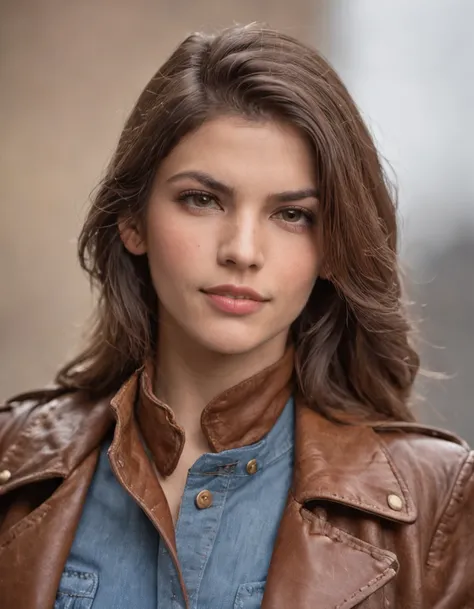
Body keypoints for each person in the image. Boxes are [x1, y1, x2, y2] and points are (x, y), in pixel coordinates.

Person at [0, 23, 472, 609]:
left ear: (333, 246)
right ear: (133, 221)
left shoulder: (439, 501)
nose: (243, 251)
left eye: (292, 214)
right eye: (202, 200)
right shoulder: (13, 464)